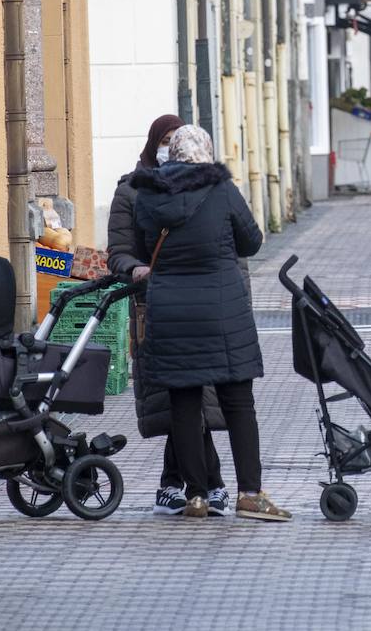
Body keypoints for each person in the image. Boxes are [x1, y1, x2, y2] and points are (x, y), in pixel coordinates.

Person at [132, 125, 290, 522]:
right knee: (238, 402)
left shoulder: (148, 194)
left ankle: (197, 496)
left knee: (184, 403)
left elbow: (142, 244)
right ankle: (250, 494)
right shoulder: (221, 189)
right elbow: (251, 241)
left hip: (169, 309)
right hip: (222, 309)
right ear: (206, 152)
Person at [107, 114, 229, 516]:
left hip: (202, 307)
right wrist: (135, 269)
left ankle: (179, 484)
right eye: (167, 141)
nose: (174, 148)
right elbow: (119, 252)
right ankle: (207, 483)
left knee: (195, 398)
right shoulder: (132, 190)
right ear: (155, 145)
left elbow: (231, 249)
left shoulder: (210, 189)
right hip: (155, 306)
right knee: (182, 398)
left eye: (179, 140)